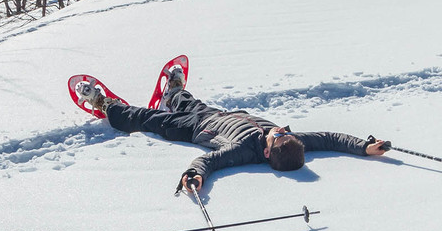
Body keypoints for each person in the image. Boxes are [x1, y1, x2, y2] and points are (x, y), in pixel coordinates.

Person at [69, 65, 391, 196]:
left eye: (277, 135)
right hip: (217, 114)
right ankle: (173, 92)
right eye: (284, 132)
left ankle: (104, 105)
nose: (280, 129)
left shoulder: (243, 152)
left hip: (195, 129)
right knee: (188, 100)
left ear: (267, 152)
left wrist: (195, 175)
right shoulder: (289, 142)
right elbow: (330, 138)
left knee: (147, 119)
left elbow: (210, 162)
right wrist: (364, 146)